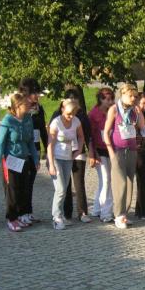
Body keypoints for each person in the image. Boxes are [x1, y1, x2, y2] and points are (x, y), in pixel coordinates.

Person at [0, 92, 39, 232]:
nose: (29, 105)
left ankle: (19, 216)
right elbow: (0, 143)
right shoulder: (7, 121)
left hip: (24, 159)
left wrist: (36, 159)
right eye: (26, 103)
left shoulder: (28, 119)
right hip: (11, 160)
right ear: (18, 106)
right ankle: (11, 218)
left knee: (23, 189)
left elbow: (31, 141)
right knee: (12, 190)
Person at [104, 84, 145, 229]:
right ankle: (118, 215)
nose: (133, 99)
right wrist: (110, 152)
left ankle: (124, 214)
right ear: (122, 95)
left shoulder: (134, 110)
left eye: (135, 96)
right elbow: (106, 132)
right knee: (119, 182)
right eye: (130, 96)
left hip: (132, 150)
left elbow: (142, 126)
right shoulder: (114, 109)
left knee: (129, 182)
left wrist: (140, 112)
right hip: (118, 150)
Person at [52, 88, 92, 224]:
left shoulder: (80, 118)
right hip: (60, 155)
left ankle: (82, 212)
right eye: (70, 98)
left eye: (75, 98)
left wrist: (83, 150)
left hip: (74, 154)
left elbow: (85, 135)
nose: (73, 101)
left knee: (77, 184)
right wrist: (50, 160)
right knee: (63, 186)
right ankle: (63, 214)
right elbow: (50, 139)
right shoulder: (56, 118)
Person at [47, 99, 85, 230]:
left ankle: (60, 214)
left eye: (73, 114)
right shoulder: (56, 122)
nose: (70, 117)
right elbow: (50, 144)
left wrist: (79, 150)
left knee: (64, 188)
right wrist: (51, 164)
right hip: (56, 158)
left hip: (68, 158)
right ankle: (56, 216)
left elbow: (81, 136)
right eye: (68, 114)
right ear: (63, 110)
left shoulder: (76, 121)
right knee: (61, 189)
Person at [20, 79, 46, 223]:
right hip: (23, 150)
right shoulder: (21, 108)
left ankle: (28, 211)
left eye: (37, 92)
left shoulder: (39, 109)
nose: (37, 95)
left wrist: (47, 148)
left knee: (30, 182)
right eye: (34, 93)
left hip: (35, 149)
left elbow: (42, 130)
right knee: (23, 182)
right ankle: (21, 212)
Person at [88, 87, 115, 222]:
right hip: (99, 149)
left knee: (104, 181)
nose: (110, 102)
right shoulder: (93, 114)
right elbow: (90, 136)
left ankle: (97, 209)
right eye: (107, 100)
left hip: (112, 148)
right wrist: (93, 153)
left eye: (112, 99)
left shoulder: (113, 111)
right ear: (100, 99)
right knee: (106, 180)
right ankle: (106, 213)